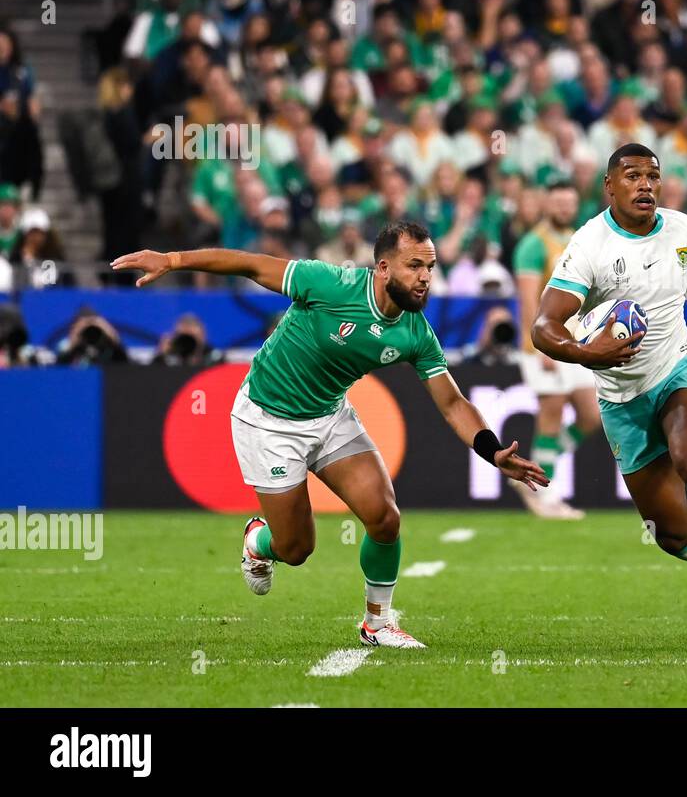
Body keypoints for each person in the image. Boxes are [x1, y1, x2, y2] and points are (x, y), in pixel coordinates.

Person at [111, 221, 546, 649]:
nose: (425, 278)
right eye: (414, 266)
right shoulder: (329, 283)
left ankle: (378, 623)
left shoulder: (414, 331)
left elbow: (452, 403)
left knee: (384, 516)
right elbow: (249, 264)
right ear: (383, 268)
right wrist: (171, 259)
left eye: (430, 267)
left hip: (329, 415)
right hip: (268, 419)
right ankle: (258, 541)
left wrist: (491, 451)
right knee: (297, 548)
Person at [532, 143, 687, 640]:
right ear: (609, 186)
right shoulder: (590, 246)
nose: (645, 184)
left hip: (677, 371)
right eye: (632, 176)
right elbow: (544, 326)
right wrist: (590, 355)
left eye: (653, 175)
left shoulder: (682, 230)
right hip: (619, 399)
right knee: (669, 533)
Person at [513, 180, 597, 520]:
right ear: (547, 204)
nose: (564, 207)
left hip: (573, 341)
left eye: (569, 202)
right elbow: (528, 301)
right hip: (544, 344)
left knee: (592, 416)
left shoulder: (580, 239)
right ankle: (546, 496)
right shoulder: (533, 245)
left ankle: (530, 472)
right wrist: (539, 345)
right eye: (558, 202)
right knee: (552, 414)